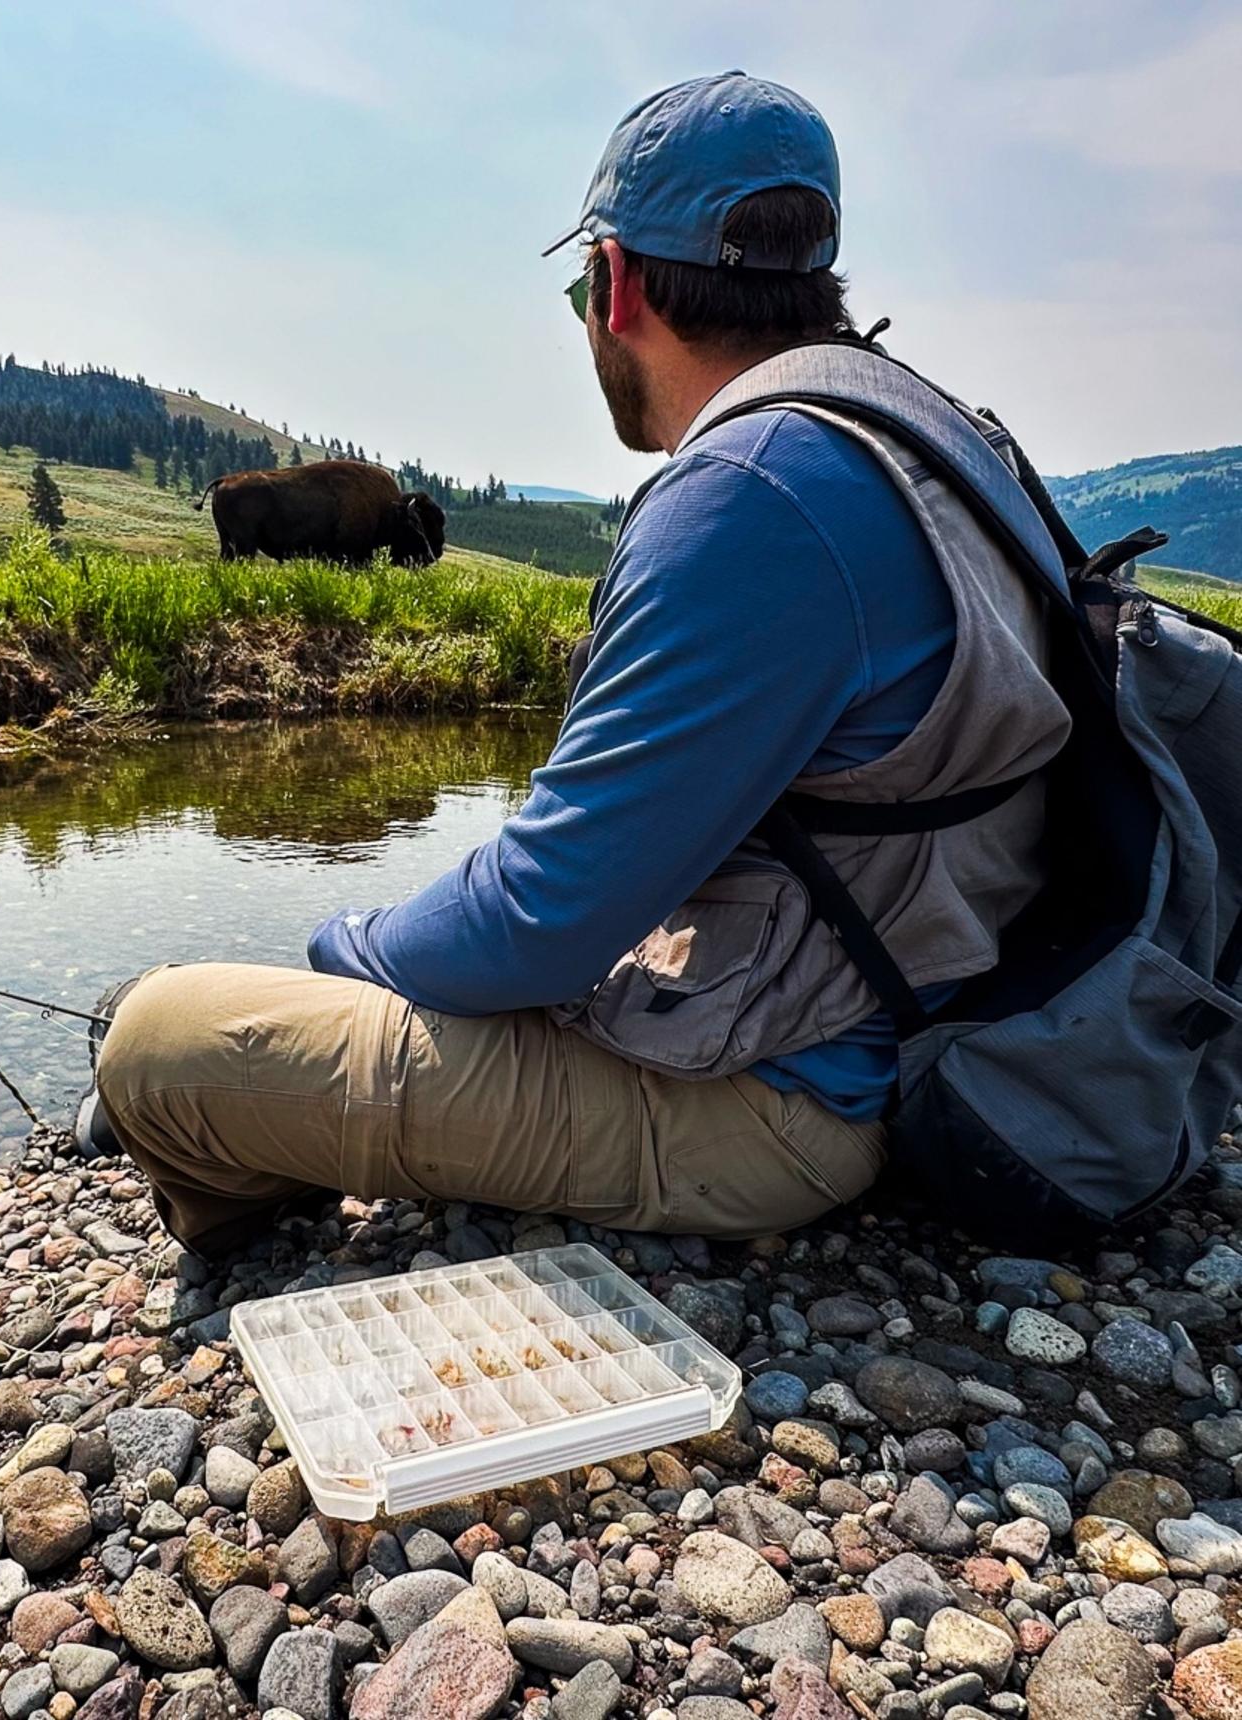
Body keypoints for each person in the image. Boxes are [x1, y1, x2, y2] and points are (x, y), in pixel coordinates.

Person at [91, 72, 1069, 1256]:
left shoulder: (752, 491)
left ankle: (250, 1181)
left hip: (783, 1114)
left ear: (615, 285)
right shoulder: (929, 434)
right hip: (935, 1019)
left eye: (579, 288)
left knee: (155, 1040)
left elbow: (536, 921)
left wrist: (341, 951)